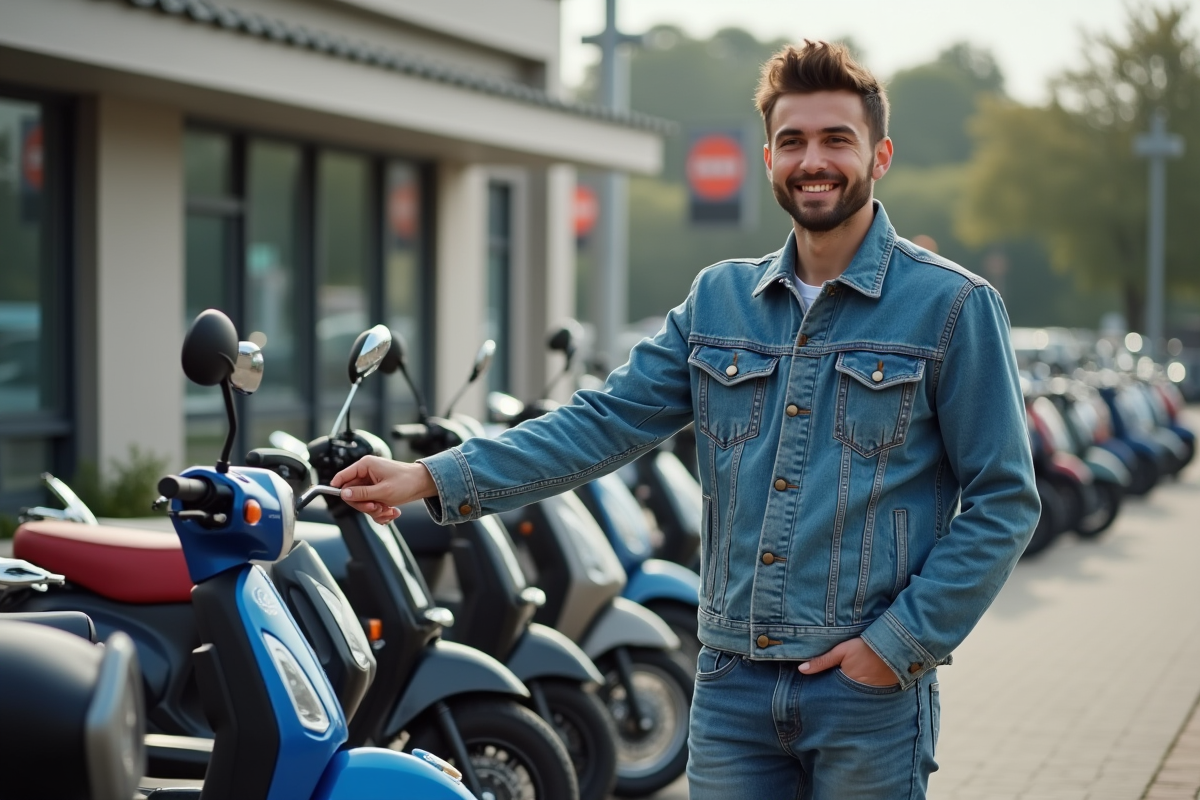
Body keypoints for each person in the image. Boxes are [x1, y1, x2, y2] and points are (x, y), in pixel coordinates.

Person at [332, 39, 1040, 800]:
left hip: (866, 695)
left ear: (881, 154)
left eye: (837, 139)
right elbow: (598, 425)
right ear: (769, 157)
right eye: (793, 141)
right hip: (731, 686)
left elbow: (1003, 500)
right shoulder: (718, 302)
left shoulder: (952, 306)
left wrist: (896, 645)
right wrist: (429, 478)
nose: (814, 161)